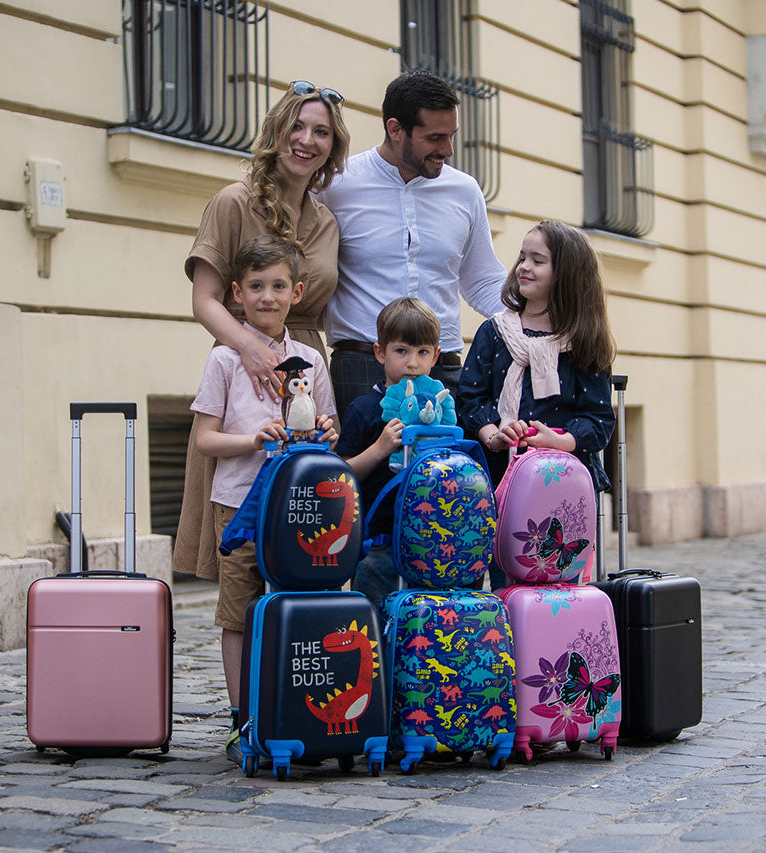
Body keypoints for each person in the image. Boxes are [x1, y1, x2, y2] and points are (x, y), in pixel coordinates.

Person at [173, 82, 350, 610]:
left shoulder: (327, 220)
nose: (307, 140)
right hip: (241, 356)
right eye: (297, 126)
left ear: (332, 147)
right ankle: (245, 678)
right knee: (242, 535)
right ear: (276, 132)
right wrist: (249, 349)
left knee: (302, 530)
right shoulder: (233, 201)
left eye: (321, 132)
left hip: (304, 359)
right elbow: (204, 299)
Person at [189, 236, 337, 762]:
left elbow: (329, 427)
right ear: (236, 293)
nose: (267, 297)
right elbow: (205, 439)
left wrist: (323, 430)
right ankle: (242, 720)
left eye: (278, 286)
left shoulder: (310, 359)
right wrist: (253, 440)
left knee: (295, 606)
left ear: (296, 293)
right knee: (239, 611)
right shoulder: (226, 360)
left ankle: (293, 709)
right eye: (256, 287)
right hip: (239, 505)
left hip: (298, 505)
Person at [318, 70, 507, 420]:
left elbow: (482, 280)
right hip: (361, 368)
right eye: (435, 138)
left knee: (450, 476)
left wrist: (537, 321)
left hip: (442, 367)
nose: (447, 150)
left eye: (451, 136)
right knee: (362, 476)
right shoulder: (337, 184)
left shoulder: (465, 191)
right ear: (395, 129)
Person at [456, 220, 617, 591]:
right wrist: (494, 432)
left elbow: (599, 420)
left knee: (559, 581)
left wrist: (559, 441)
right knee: (505, 578)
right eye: (522, 257)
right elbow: (471, 398)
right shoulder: (495, 331)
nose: (523, 267)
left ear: (567, 275)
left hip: (563, 486)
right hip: (502, 478)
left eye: (538, 260)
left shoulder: (583, 341)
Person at [335, 297, 442, 609]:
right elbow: (342, 474)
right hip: (377, 545)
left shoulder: (440, 411)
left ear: (435, 356)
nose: (412, 363)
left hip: (429, 542)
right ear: (380, 353)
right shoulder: (364, 409)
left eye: (422, 352)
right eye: (401, 351)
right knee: (375, 627)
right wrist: (380, 448)